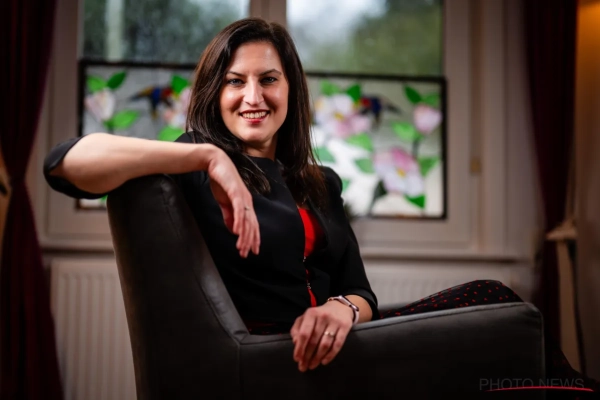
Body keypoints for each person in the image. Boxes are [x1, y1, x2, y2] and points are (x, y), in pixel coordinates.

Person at [44, 17, 598, 393]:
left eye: (268, 79)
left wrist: (341, 310)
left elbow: (361, 290)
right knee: (502, 314)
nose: (253, 97)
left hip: (342, 339)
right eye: (235, 82)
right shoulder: (192, 162)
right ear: (216, 93)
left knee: (497, 298)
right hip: (277, 359)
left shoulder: (320, 182)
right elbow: (64, 163)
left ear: (291, 91)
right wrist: (209, 158)